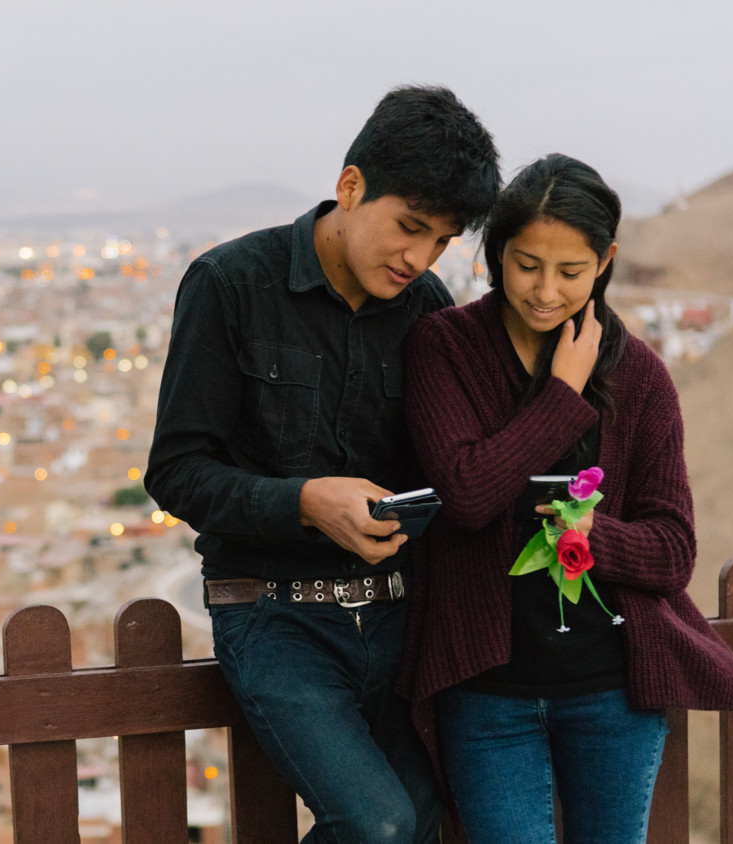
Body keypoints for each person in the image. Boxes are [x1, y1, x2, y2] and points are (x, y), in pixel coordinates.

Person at [397, 153, 733, 844]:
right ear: (494, 252)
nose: (545, 290)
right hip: (487, 697)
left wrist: (587, 537)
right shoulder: (444, 349)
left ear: (604, 260)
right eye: (526, 264)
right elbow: (466, 493)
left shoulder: (640, 379)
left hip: (612, 696)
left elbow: (672, 551)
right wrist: (562, 395)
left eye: (570, 272)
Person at [144, 85, 500, 844]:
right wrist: (305, 501)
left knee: (433, 815)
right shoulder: (230, 285)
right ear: (349, 186)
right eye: (409, 227)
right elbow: (176, 471)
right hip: (273, 619)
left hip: (397, 615)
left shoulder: (428, 307)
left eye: (439, 241)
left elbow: (447, 462)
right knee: (376, 824)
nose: (419, 257)